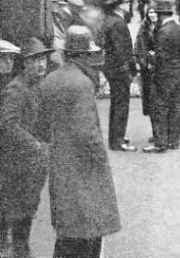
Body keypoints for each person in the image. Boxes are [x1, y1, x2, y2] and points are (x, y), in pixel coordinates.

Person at [39, 25, 121, 258]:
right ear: (83, 55)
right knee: (88, 233)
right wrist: (100, 164)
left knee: (67, 234)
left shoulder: (50, 80)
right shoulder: (82, 84)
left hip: (60, 168)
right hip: (83, 173)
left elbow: (42, 126)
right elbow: (87, 135)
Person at [0, 38, 53, 258]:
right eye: (34, 60)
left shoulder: (40, 85)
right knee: (16, 204)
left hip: (35, 161)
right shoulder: (16, 90)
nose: (41, 64)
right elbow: (8, 124)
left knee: (29, 204)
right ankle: (16, 248)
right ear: (25, 64)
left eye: (43, 58)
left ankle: (18, 246)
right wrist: (35, 144)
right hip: (18, 160)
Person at [143, 1, 180, 153]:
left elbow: (159, 57)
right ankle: (174, 141)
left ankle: (160, 143)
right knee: (175, 107)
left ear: (161, 15)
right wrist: (178, 66)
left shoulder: (163, 32)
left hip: (163, 76)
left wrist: (151, 57)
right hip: (177, 74)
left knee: (160, 108)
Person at [102, 0, 137, 152]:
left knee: (116, 104)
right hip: (119, 70)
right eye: (126, 3)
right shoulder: (118, 23)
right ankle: (118, 141)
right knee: (121, 104)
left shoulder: (111, 20)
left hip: (112, 68)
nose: (129, 5)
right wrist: (129, 73)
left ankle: (116, 136)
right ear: (119, 5)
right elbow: (121, 51)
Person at [134, 3, 159, 142]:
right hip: (148, 71)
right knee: (151, 102)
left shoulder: (161, 27)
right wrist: (146, 60)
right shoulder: (144, 28)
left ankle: (162, 134)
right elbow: (139, 47)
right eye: (150, 13)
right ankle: (156, 133)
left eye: (155, 12)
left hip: (160, 70)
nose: (153, 15)